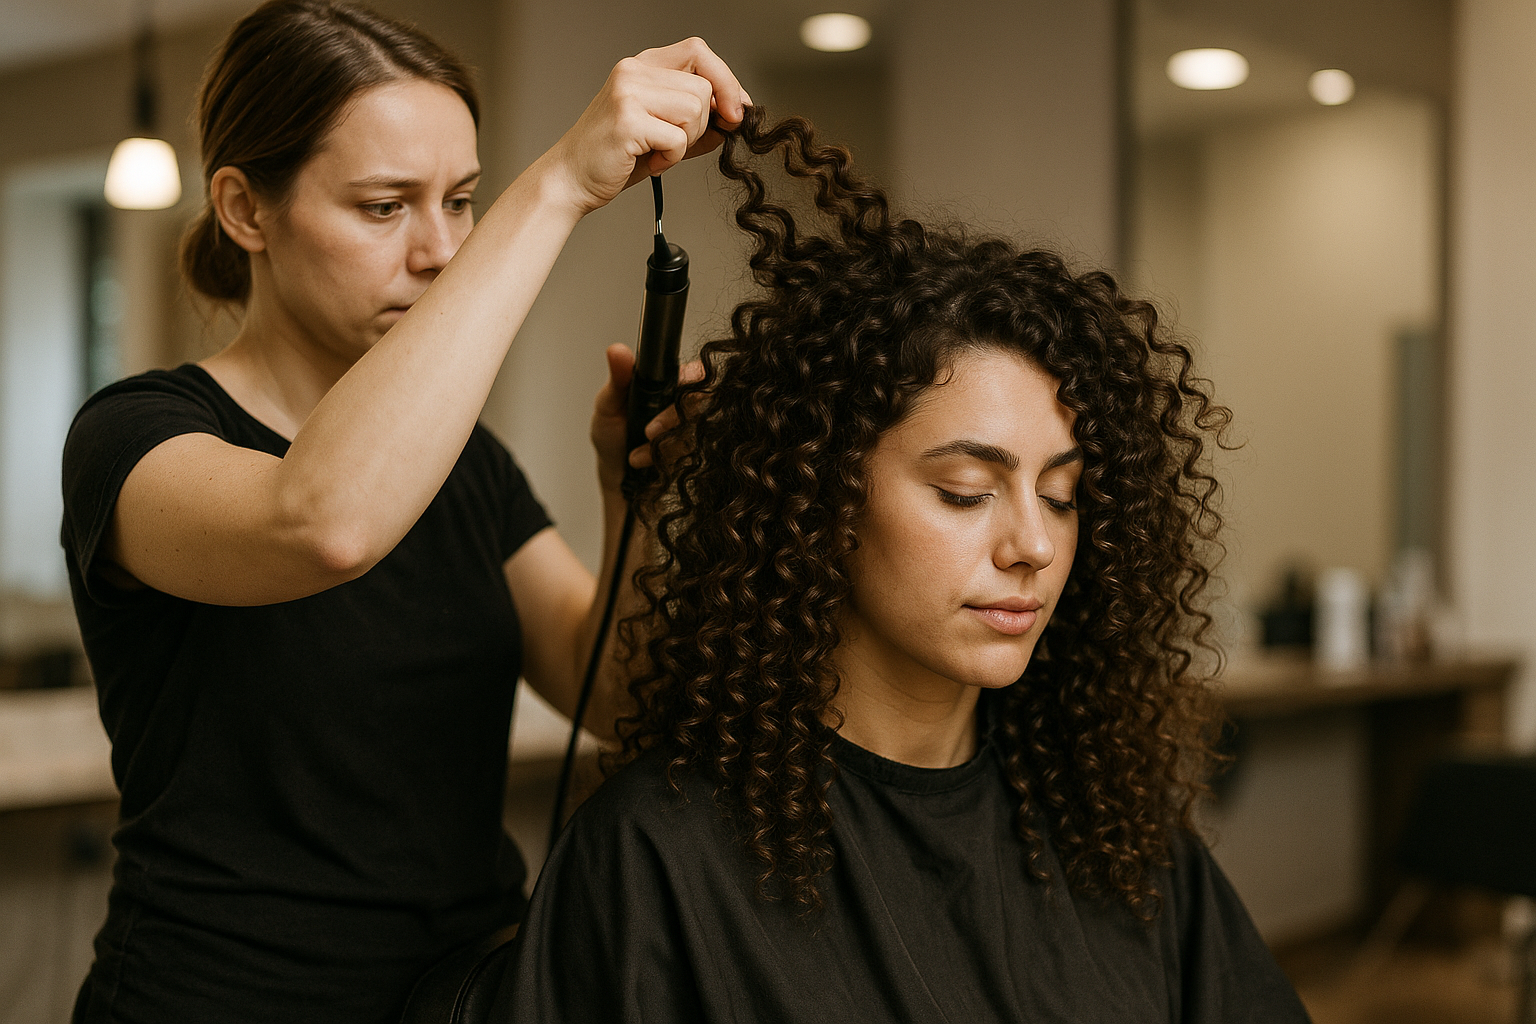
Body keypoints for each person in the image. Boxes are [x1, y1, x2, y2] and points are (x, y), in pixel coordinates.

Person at [493, 108, 1313, 1023]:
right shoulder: (658, 856)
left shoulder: (1112, 837)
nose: (1033, 545)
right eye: (965, 490)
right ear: (819, 500)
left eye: (1063, 494)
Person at [59, 2, 747, 1021]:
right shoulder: (137, 437)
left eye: (463, 200)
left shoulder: (465, 466)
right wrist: (555, 184)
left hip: (469, 996)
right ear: (246, 210)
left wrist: (628, 493)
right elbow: (322, 522)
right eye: (385, 207)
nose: (439, 250)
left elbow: (615, 695)